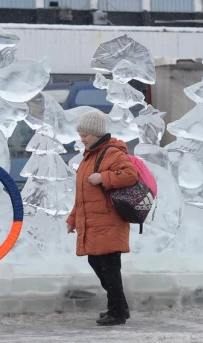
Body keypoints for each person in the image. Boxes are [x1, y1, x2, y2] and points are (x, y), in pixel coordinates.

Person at [66, 111, 138, 326]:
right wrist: (73, 218)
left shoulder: (112, 153)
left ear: (97, 133)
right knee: (98, 263)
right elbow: (83, 195)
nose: (82, 137)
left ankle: (116, 312)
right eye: (80, 133)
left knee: (109, 267)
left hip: (109, 222)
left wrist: (103, 177)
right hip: (94, 222)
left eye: (85, 134)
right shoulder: (89, 155)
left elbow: (130, 175)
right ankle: (120, 307)